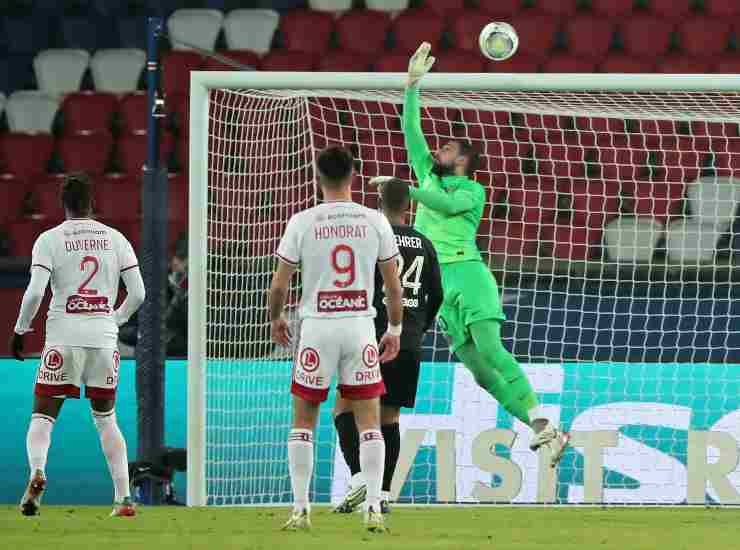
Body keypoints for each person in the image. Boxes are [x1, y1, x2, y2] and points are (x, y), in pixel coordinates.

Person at [402, 43, 570, 466]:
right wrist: (411, 86)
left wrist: (406, 191)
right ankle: (543, 430)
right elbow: (411, 131)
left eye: (446, 150)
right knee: (477, 372)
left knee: (493, 351)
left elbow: (442, 206)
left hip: (469, 274)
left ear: (462, 162)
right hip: (437, 284)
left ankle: (539, 414)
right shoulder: (427, 175)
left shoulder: (471, 192)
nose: (437, 151)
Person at [270, 146, 403, 533]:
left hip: (317, 328)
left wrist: (277, 318)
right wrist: (393, 329)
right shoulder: (374, 220)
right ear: (353, 176)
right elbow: (393, 286)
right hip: (360, 326)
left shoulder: (302, 221)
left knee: (303, 421)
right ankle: (375, 507)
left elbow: (280, 283)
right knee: (369, 422)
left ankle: (300, 510)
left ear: (317, 176)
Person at [9, 173, 146, 517]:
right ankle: (123, 497)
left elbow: (37, 292)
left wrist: (21, 329)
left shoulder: (49, 239)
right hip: (103, 340)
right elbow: (140, 293)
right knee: (106, 419)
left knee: (42, 416)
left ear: (63, 204)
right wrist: (114, 319)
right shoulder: (116, 239)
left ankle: (37, 472)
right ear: (92, 203)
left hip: (63, 340)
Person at [333, 177, 443, 515]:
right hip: (408, 341)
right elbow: (436, 295)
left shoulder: (371, 236)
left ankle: (359, 479)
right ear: (410, 206)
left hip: (370, 335)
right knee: (390, 417)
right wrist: (418, 329)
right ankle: (381, 494)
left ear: (378, 203)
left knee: (343, 409)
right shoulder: (425, 243)